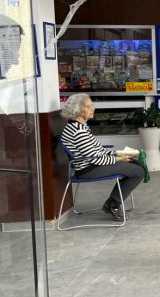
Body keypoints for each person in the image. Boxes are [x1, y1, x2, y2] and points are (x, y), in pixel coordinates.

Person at [60, 93, 145, 221]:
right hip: (89, 169)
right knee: (139, 171)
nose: (93, 109)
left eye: (92, 105)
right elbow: (95, 158)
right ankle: (112, 204)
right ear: (77, 110)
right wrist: (118, 159)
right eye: (88, 107)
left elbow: (97, 152)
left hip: (91, 165)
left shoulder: (78, 126)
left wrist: (117, 154)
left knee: (134, 164)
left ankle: (112, 203)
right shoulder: (79, 131)